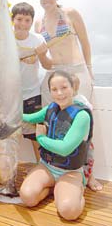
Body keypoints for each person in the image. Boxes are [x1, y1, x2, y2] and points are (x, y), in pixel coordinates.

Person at [35, 0, 102, 191]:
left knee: (85, 127)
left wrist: (89, 70)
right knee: (53, 122)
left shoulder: (70, 13)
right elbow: (45, 61)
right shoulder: (39, 23)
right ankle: (51, 167)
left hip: (76, 71)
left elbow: (85, 42)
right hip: (54, 74)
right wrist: (38, 56)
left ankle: (89, 174)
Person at [20, 70, 93, 221]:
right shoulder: (51, 108)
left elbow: (65, 148)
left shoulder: (82, 116)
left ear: (73, 88)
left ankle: (76, 188)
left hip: (70, 171)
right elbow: (29, 118)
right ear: (50, 91)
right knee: (27, 198)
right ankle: (54, 189)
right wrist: (9, 111)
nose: (59, 93)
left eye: (64, 87)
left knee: (68, 212)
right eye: (54, 89)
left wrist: (40, 137)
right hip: (47, 166)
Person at [12, 2, 52, 161]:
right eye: (19, 19)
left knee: (36, 134)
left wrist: (40, 55)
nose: (23, 24)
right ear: (12, 19)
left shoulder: (38, 39)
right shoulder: (4, 39)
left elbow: (48, 65)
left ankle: (41, 166)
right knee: (11, 136)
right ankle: (10, 170)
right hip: (10, 97)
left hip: (32, 94)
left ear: (32, 21)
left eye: (27, 20)